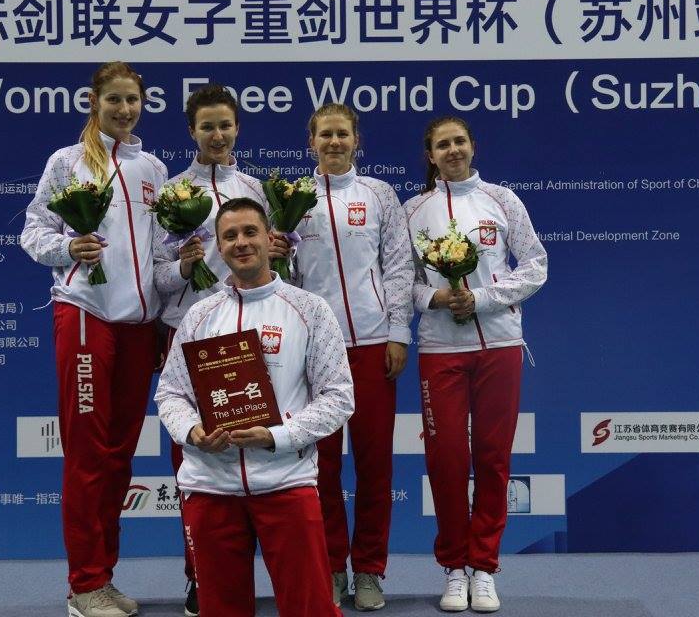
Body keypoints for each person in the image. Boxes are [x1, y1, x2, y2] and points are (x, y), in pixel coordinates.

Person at [155, 197, 354, 617]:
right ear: (219, 247)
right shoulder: (199, 315)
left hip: (286, 482)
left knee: (310, 609)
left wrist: (276, 437)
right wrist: (192, 432)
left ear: (269, 238)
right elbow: (170, 393)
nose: (241, 242)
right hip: (210, 486)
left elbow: (338, 397)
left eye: (250, 232)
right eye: (229, 236)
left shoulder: (310, 310)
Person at [21, 61, 167, 617]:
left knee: (120, 457)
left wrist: (180, 272)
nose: (125, 110)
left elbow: (155, 253)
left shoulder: (151, 167)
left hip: (138, 326)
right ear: (94, 101)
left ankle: (102, 578)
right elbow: (34, 229)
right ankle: (83, 587)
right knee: (88, 455)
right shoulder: (67, 162)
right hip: (86, 315)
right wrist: (66, 250)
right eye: (115, 100)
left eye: (133, 100)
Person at [153, 84, 288, 617]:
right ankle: (200, 575)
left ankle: (272, 570)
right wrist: (185, 266)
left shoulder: (255, 188)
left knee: (257, 444)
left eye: (225, 125)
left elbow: (271, 267)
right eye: (206, 126)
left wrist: (281, 249)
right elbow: (157, 279)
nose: (216, 135)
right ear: (191, 131)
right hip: (190, 332)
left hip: (251, 332)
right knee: (195, 453)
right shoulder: (171, 192)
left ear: (237, 130)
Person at [404, 116, 547, 613]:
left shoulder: (503, 200)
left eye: (458, 141)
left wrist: (483, 299)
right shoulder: (413, 210)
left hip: (501, 345)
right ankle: (453, 566)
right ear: (430, 155)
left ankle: (484, 566)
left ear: (472, 146)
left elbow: (535, 265)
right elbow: (403, 284)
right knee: (445, 461)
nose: (452, 150)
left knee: (492, 458)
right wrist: (438, 299)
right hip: (440, 349)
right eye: (442, 144)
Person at [294, 103, 413, 610]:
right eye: (326, 135)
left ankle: (369, 570)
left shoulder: (380, 194)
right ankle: (331, 565)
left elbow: (400, 267)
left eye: (343, 134)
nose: (335, 142)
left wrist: (398, 331)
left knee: (374, 464)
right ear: (311, 142)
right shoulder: (292, 198)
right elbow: (288, 276)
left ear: (356, 140)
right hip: (316, 350)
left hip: (371, 345)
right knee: (320, 467)